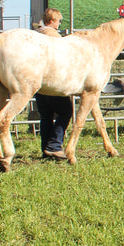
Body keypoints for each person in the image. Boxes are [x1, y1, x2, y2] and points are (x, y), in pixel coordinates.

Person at [34, 8, 73, 159]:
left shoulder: (36, 33)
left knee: (46, 116)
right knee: (66, 112)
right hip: (53, 80)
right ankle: (54, 145)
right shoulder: (52, 35)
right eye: (58, 21)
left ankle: (45, 149)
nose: (59, 24)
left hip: (39, 83)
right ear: (52, 21)